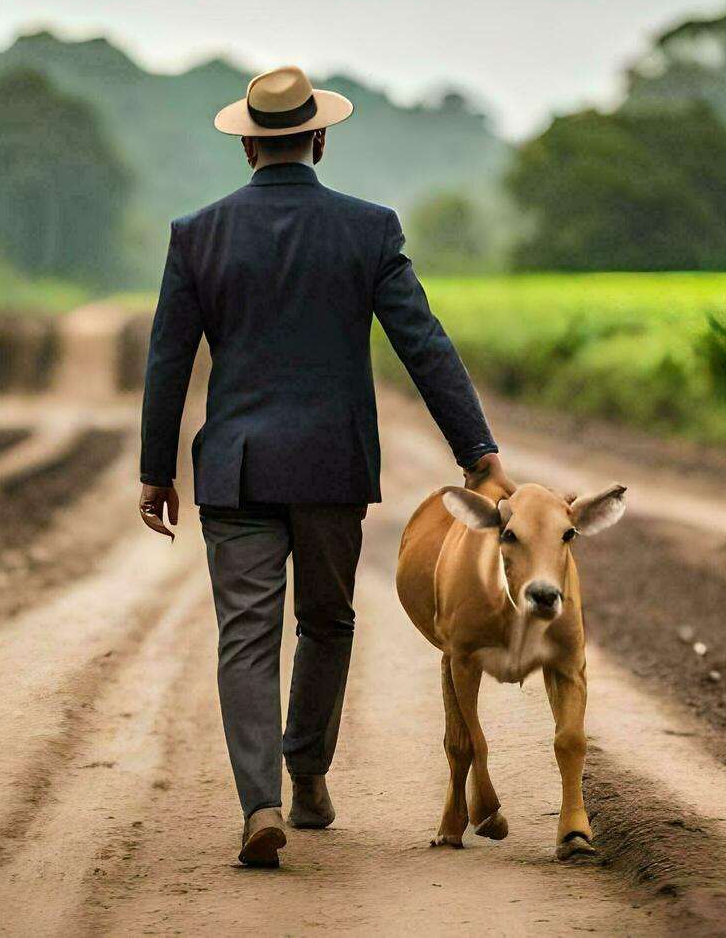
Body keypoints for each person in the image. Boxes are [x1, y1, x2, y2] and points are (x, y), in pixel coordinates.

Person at [138, 65, 503, 867]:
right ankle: (306, 775)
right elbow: (424, 343)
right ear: (320, 138)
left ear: (247, 148)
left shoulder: (196, 233)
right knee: (327, 622)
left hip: (235, 468)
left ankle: (259, 803)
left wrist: (154, 469)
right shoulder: (368, 229)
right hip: (331, 466)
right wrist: (478, 453)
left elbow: (169, 358)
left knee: (246, 635)